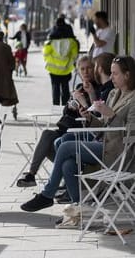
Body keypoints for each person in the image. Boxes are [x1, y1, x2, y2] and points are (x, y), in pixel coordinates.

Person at [21, 55, 135, 213]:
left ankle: (48, 194)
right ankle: (79, 210)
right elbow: (102, 126)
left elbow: (130, 133)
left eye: (115, 73)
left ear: (127, 75)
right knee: (68, 164)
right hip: (103, 146)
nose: (111, 77)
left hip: (120, 154)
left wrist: (111, 115)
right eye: (111, 73)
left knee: (66, 146)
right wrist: (89, 118)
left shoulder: (133, 98)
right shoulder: (113, 94)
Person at [15, 55, 102, 188]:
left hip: (79, 135)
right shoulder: (79, 87)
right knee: (47, 135)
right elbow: (65, 113)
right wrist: (70, 105)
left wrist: (89, 96)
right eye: (82, 69)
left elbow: (96, 116)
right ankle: (32, 174)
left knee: (53, 139)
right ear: (78, 71)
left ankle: (61, 179)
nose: (86, 72)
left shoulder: (98, 88)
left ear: (94, 69)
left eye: (89, 68)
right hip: (65, 130)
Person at [43, 17, 79, 105]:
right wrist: (69, 63)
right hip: (66, 69)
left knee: (55, 88)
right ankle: (65, 105)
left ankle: (55, 106)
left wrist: (51, 61)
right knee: (65, 87)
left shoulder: (51, 42)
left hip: (53, 69)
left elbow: (45, 53)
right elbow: (74, 55)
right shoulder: (72, 42)